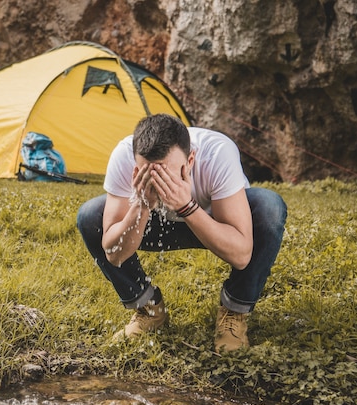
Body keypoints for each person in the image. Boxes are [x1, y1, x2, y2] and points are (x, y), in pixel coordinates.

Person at [76, 113, 287, 352]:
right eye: (150, 175)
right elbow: (114, 254)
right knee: (91, 215)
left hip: (212, 221)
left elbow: (240, 255)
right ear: (137, 167)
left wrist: (187, 206)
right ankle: (149, 309)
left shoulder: (217, 153)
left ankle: (233, 313)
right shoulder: (124, 155)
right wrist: (142, 205)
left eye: (168, 173)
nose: (161, 183)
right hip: (152, 223)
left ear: (191, 159)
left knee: (269, 206)